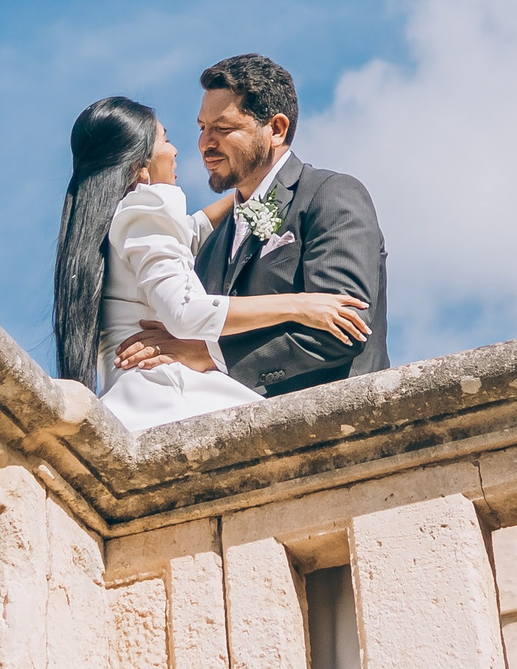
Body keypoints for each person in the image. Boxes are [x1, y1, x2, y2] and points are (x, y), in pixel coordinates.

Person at [53, 96, 371, 431]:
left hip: (135, 396)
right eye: (165, 140)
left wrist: (258, 186)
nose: (176, 150)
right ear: (140, 167)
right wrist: (299, 306)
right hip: (169, 393)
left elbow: (193, 231)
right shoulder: (145, 209)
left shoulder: (107, 225)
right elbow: (184, 311)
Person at [115, 54, 389, 397]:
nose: (205, 144)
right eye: (202, 128)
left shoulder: (330, 194)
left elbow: (345, 326)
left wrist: (209, 355)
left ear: (276, 129)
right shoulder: (212, 246)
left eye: (223, 129)